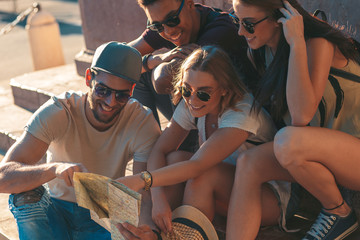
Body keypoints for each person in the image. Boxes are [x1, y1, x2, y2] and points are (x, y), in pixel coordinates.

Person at [225, 0, 360, 239]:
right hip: (320, 156)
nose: (240, 32)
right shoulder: (261, 54)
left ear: (280, 19)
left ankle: (337, 212)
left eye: (248, 24)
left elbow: (300, 116)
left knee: (287, 141)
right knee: (249, 162)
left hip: (353, 153)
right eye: (237, 20)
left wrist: (296, 42)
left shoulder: (318, 43)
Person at [0, 41, 161, 240]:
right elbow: (2, 176)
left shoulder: (142, 121)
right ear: (88, 78)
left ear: (132, 90)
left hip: (106, 212)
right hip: (56, 209)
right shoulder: (59, 111)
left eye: (121, 95)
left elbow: (145, 191)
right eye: (103, 90)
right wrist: (53, 169)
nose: (111, 102)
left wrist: (146, 230)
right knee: (24, 196)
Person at [116, 45, 278, 239]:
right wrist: (159, 200)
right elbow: (160, 150)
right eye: (186, 89)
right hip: (227, 186)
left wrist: (141, 179)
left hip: (269, 198)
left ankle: (182, 235)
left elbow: (197, 166)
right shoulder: (193, 102)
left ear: (225, 89)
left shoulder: (241, 113)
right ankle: (158, 231)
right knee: (174, 158)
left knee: (202, 174)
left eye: (203, 92)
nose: (192, 99)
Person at [128, 0, 249, 124]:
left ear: (189, 4)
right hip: (200, 109)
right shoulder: (165, 25)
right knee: (137, 70)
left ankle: (189, 143)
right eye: (157, 26)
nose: (168, 31)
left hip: (235, 116)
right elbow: (116, 58)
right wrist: (152, 60)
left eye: (172, 19)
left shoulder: (219, 30)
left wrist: (150, 65)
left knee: (184, 78)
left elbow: (162, 81)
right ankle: (145, 140)